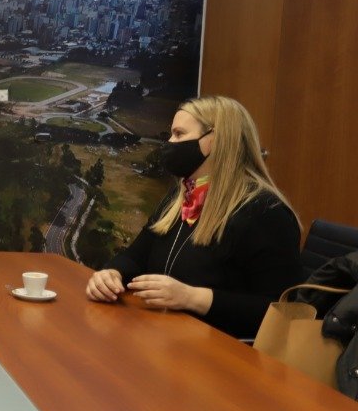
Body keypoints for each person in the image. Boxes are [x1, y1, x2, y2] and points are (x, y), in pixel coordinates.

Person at [85, 95, 303, 340]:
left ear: (214, 141)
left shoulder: (265, 212)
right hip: (167, 340)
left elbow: (281, 314)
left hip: (224, 355)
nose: (169, 142)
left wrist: (192, 298)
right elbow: (136, 257)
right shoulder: (180, 198)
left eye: (179, 134)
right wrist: (111, 274)